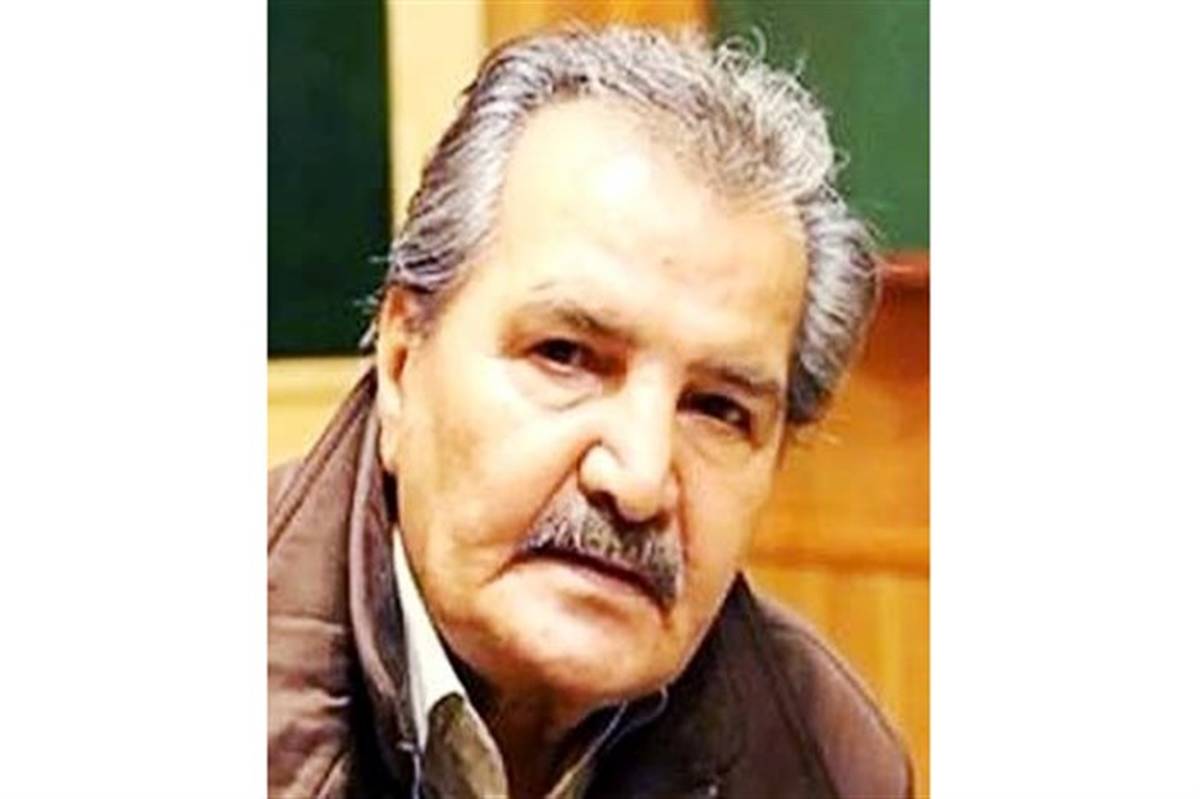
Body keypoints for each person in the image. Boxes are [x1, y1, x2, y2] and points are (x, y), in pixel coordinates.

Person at [268, 25, 912, 799]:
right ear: (403, 363)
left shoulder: (830, 760)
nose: (637, 479)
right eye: (566, 355)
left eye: (717, 408)